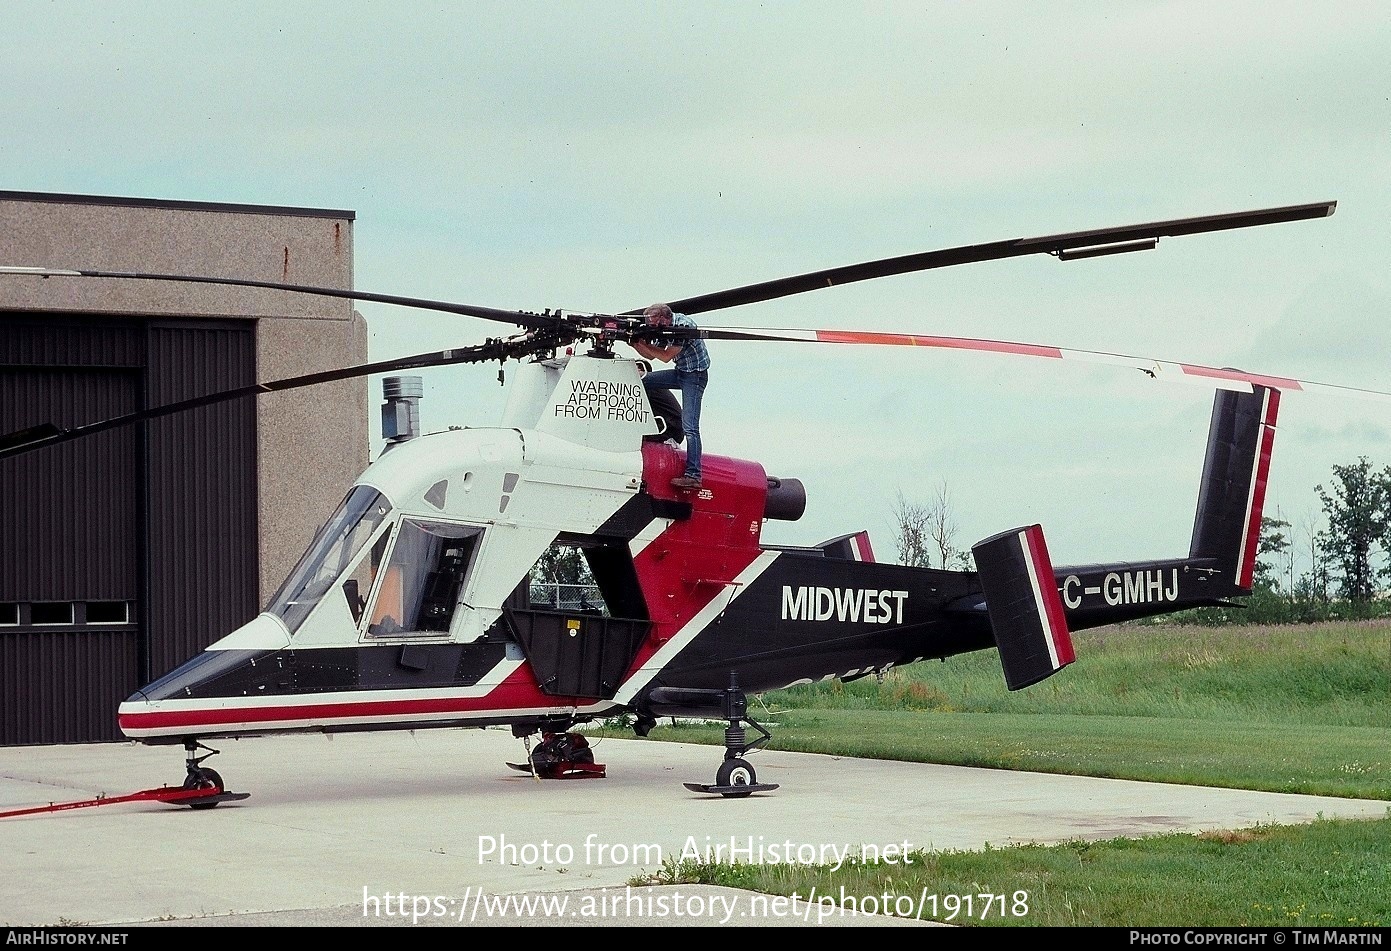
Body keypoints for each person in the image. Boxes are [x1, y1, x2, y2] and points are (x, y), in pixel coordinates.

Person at [631, 303, 710, 490]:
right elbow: (650, 356)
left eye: (653, 323)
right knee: (641, 382)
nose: (652, 327)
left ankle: (694, 476)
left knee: (690, 427)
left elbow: (665, 356)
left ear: (663, 319)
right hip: (681, 372)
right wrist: (636, 344)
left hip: (695, 376)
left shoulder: (682, 327)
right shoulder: (662, 328)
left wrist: (644, 344)